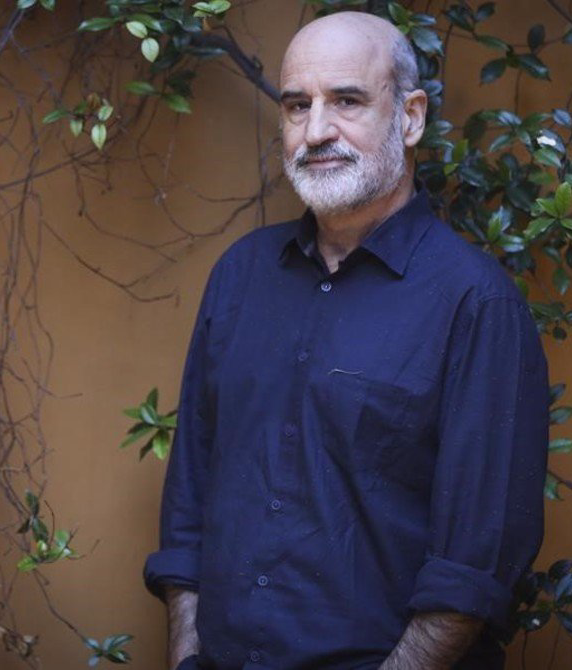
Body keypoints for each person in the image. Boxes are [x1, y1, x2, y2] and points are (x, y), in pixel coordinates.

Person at [144, 11, 549, 670]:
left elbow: (473, 569)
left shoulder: (476, 304)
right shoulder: (241, 276)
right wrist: (188, 652)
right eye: (297, 106)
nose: (316, 131)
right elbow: (190, 497)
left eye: (347, 101)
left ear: (410, 118)